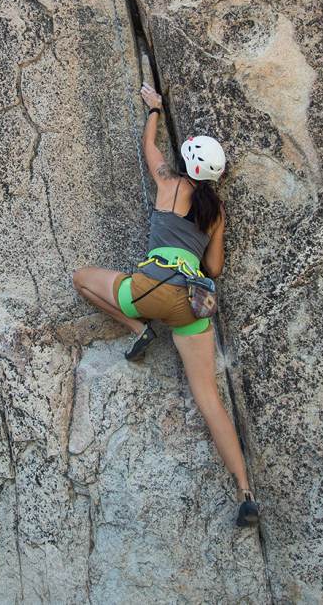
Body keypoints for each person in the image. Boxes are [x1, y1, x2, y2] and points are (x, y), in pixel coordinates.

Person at [70, 83, 260, 528]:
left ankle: (138, 331)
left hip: (149, 289)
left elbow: (148, 146)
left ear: (188, 163)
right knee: (209, 398)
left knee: (83, 279)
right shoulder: (216, 211)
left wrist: (154, 109)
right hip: (191, 305)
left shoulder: (169, 184)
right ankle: (245, 491)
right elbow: (214, 266)